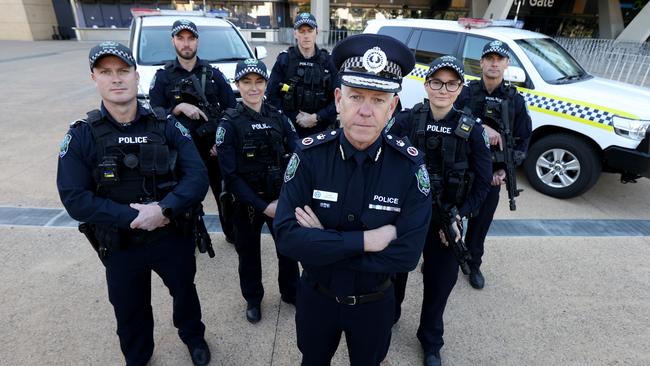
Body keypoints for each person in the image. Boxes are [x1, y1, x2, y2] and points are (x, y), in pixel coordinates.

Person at [274, 34, 432, 365]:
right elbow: (288, 238)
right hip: (317, 300)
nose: (364, 111)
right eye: (356, 96)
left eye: (377, 100)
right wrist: (367, 241)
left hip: (374, 304)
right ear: (338, 99)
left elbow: (405, 256)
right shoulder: (309, 157)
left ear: (392, 107)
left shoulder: (409, 167)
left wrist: (322, 244)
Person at [56, 42, 211, 366]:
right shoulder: (82, 134)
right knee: (129, 308)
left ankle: (193, 337)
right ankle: (138, 356)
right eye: (106, 72)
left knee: (185, 293)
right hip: (121, 245)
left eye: (123, 71)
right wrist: (132, 216)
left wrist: (163, 209)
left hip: (171, 236)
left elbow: (197, 176)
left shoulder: (166, 124)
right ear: (94, 78)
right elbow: (74, 198)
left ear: (136, 76)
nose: (116, 79)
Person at [390, 55, 492, 366]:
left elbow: (483, 182)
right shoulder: (408, 120)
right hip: (407, 218)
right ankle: (388, 316)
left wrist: (461, 216)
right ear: (426, 84)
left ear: (460, 88)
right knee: (393, 275)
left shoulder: (471, 129)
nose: (443, 89)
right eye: (437, 82)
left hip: (447, 221)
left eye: (451, 84)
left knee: (439, 285)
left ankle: (431, 340)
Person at [216, 59, 300, 323]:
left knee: (288, 250)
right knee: (248, 254)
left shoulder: (278, 116)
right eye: (246, 82)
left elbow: (297, 153)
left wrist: (284, 199)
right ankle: (253, 299)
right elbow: (229, 175)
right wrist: (263, 206)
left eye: (259, 82)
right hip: (247, 204)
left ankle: (291, 292)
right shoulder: (228, 124)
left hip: (280, 198)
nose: (253, 88)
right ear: (238, 86)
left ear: (266, 84)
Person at [149, 19, 237, 243]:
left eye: (191, 38)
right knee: (186, 197)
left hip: (213, 148)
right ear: (173, 41)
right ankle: (191, 237)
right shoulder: (163, 77)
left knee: (225, 195)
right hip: (182, 152)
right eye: (181, 38)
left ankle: (232, 234)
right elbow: (154, 113)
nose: (186, 44)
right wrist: (177, 107)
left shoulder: (214, 74)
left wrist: (222, 141)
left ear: (197, 41)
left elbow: (232, 110)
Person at [456, 40, 532, 289]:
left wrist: (502, 172)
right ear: (481, 63)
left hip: (491, 175)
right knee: (449, 215)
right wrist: (481, 126)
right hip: (460, 168)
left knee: (480, 224)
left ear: (507, 64)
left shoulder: (515, 101)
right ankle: (442, 256)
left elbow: (522, 143)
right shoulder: (465, 92)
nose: (494, 63)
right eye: (489, 58)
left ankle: (473, 263)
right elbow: (451, 120)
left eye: (500, 59)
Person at [266, 12, 338, 137]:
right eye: (302, 31)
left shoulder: (328, 61)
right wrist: (296, 117)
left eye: (310, 30)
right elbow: (272, 96)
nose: (306, 36)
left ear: (317, 32)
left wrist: (316, 117)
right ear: (295, 33)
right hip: (290, 129)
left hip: (322, 129)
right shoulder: (285, 60)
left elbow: (340, 98)